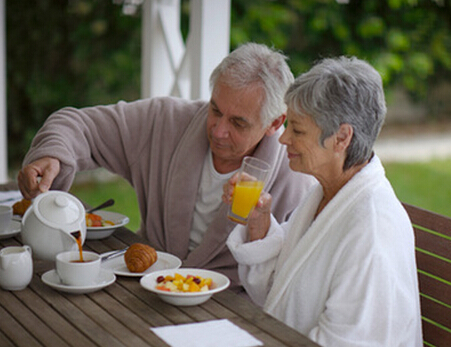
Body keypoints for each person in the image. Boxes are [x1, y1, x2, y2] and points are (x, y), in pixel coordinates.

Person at [17, 43, 315, 292]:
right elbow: (77, 125)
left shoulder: (297, 178)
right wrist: (52, 155)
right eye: (215, 110)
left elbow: (287, 286)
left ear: (275, 123)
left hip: (230, 313)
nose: (218, 130)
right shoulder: (165, 122)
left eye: (238, 123)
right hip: (141, 287)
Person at [224, 56, 422, 345]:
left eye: (298, 130)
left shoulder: (373, 232)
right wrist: (259, 226)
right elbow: (281, 294)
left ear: (341, 138)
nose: (283, 138)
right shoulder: (326, 194)